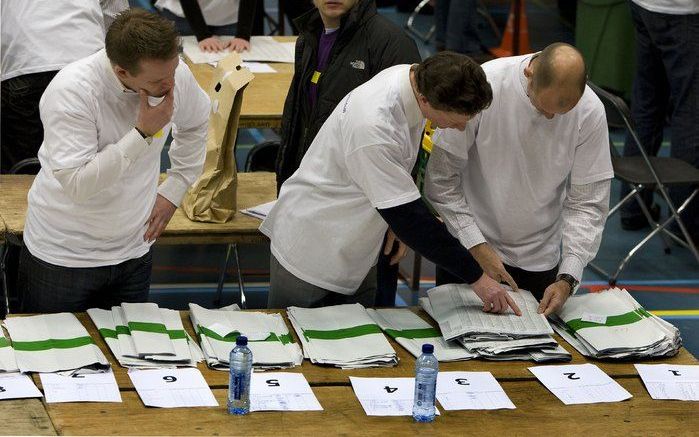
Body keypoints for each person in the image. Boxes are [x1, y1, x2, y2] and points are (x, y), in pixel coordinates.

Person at [261, 52, 522, 315]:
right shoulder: (374, 125)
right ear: (424, 99)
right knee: (297, 340)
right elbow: (411, 220)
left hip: (357, 242)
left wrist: (394, 206)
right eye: (455, 121)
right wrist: (477, 278)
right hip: (313, 250)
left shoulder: (413, 77)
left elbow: (401, 175)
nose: (459, 128)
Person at [18, 9, 211, 312]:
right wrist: (142, 133)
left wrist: (175, 189)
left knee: (130, 359)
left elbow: (197, 121)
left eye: (173, 71)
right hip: (65, 258)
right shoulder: (72, 92)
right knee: (56, 357)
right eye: (160, 79)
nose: (171, 84)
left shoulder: (173, 75)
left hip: (134, 251)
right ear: (122, 72)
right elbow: (78, 184)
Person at [425, 43, 613, 316]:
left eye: (563, 112)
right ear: (529, 72)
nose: (551, 118)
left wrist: (568, 277)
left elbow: (588, 202)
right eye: (543, 107)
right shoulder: (486, 84)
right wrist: (475, 244)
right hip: (468, 250)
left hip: (539, 261)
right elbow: (441, 180)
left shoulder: (590, 110)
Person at [275, 0, 421, 306]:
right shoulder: (309, 35)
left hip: (369, 216)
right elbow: (299, 119)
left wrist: (401, 217)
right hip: (315, 210)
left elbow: (411, 136)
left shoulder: (392, 44)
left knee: (370, 328)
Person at [1, 0, 129, 173]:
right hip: (85, 59)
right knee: (90, 158)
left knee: (24, 165)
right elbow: (119, 22)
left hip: (24, 63)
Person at [619, 1, 698, 246]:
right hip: (684, 11)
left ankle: (633, 207)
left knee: (646, 105)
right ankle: (686, 224)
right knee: (690, 113)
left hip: (646, 6)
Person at [155, 0, 255, 52]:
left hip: (228, 15)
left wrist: (243, 35)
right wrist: (203, 35)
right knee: (184, 65)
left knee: (232, 63)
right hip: (184, 15)